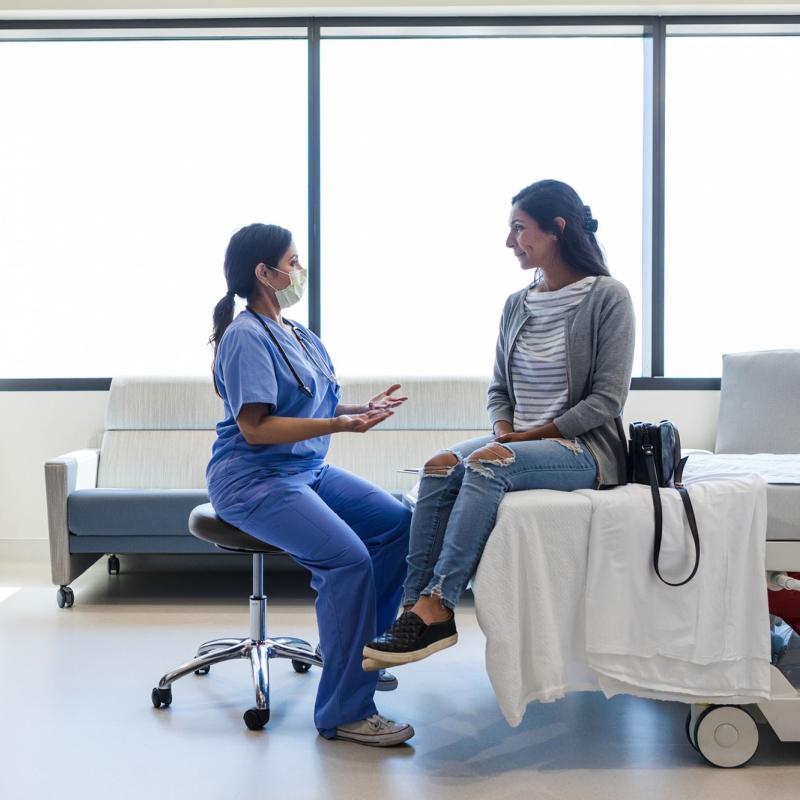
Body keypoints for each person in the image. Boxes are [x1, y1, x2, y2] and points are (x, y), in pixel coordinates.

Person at [364, 179, 636, 667]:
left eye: (519, 229)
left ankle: (440, 603)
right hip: (519, 438)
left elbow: (607, 401)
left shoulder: (608, 297)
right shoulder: (517, 303)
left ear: (557, 229)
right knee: (439, 465)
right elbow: (498, 390)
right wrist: (504, 426)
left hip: (582, 448)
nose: (510, 242)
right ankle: (414, 610)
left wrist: (521, 438)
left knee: (490, 464)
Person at [206, 223, 414, 747]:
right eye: (292, 262)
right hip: (254, 479)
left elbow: (311, 403)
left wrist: (356, 409)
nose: (299, 271)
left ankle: (357, 654)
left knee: (399, 526)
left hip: (305, 471)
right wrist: (339, 427)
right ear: (264, 273)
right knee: (349, 560)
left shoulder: (297, 333)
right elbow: (256, 428)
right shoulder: (245, 336)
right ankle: (345, 711)